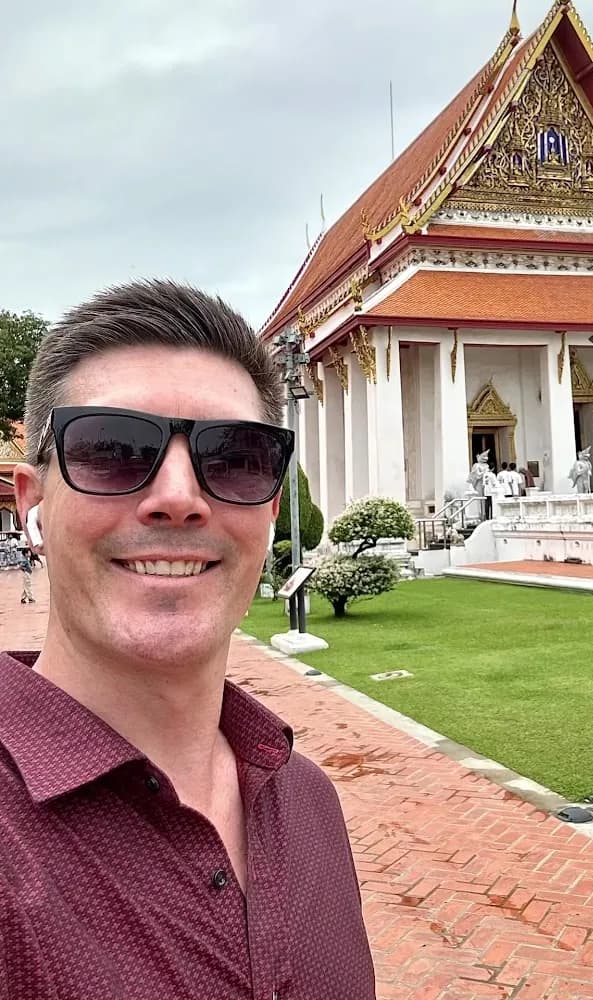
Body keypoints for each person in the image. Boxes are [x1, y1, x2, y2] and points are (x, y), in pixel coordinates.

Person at [1, 280, 375, 999]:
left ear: (269, 510)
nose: (179, 496)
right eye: (111, 448)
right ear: (33, 505)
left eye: (235, 457)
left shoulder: (307, 804)